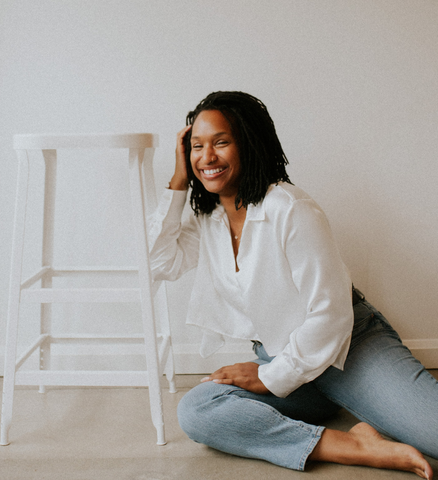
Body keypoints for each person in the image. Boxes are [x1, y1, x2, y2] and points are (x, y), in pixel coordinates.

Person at [148, 91, 437, 478]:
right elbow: (158, 261)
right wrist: (179, 179)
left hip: (347, 348)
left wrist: (269, 378)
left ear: (248, 143)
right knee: (198, 410)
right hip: (286, 359)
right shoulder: (211, 219)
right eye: (196, 147)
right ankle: (352, 445)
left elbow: (330, 316)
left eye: (221, 142)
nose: (207, 157)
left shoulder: (290, 207)